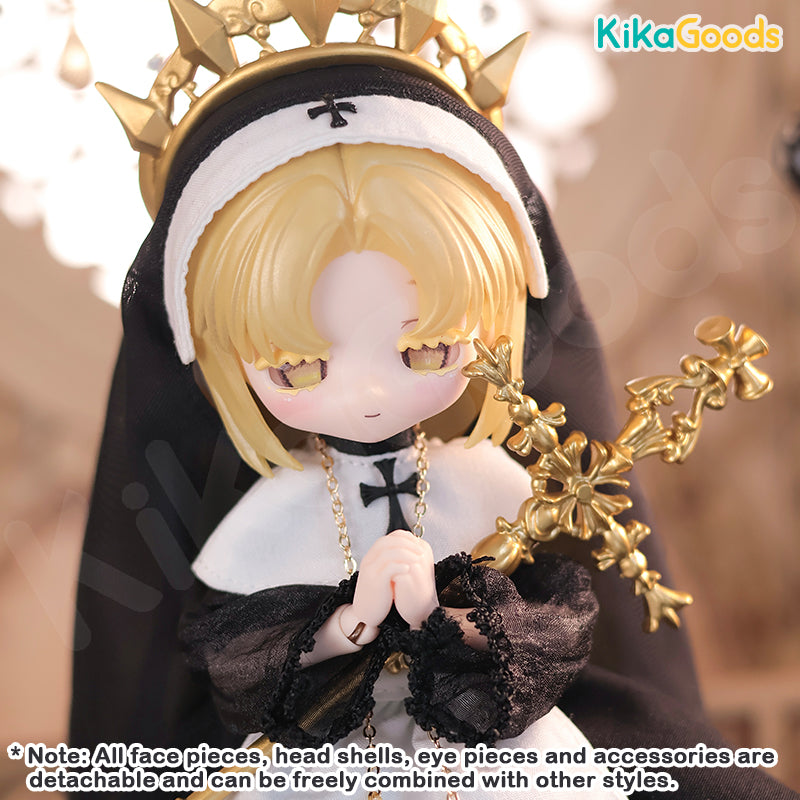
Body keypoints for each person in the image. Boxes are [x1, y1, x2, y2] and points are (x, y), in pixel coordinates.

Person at [70, 10, 798, 800]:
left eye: (426, 350)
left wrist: (443, 622)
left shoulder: (481, 482)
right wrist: (349, 623)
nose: (369, 392)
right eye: (299, 366)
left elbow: (554, 626)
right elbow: (239, 656)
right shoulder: (279, 511)